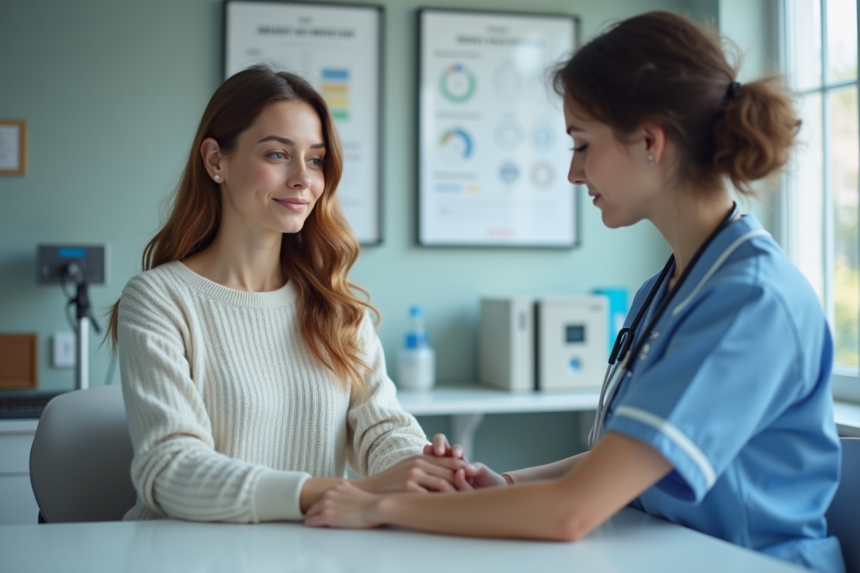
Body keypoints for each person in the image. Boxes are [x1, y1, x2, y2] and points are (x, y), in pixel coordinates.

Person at [303, 12, 845, 573]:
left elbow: (572, 513)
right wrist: (502, 483)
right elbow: (618, 464)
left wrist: (378, 507)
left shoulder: (748, 302)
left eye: (582, 145)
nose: (573, 173)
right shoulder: (667, 289)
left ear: (650, 141)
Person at [107, 66, 469, 524]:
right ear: (216, 160)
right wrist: (349, 492)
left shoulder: (336, 307)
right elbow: (172, 470)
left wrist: (423, 468)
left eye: (315, 160)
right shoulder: (160, 299)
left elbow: (381, 429)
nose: (303, 179)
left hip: (309, 553)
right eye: (278, 154)